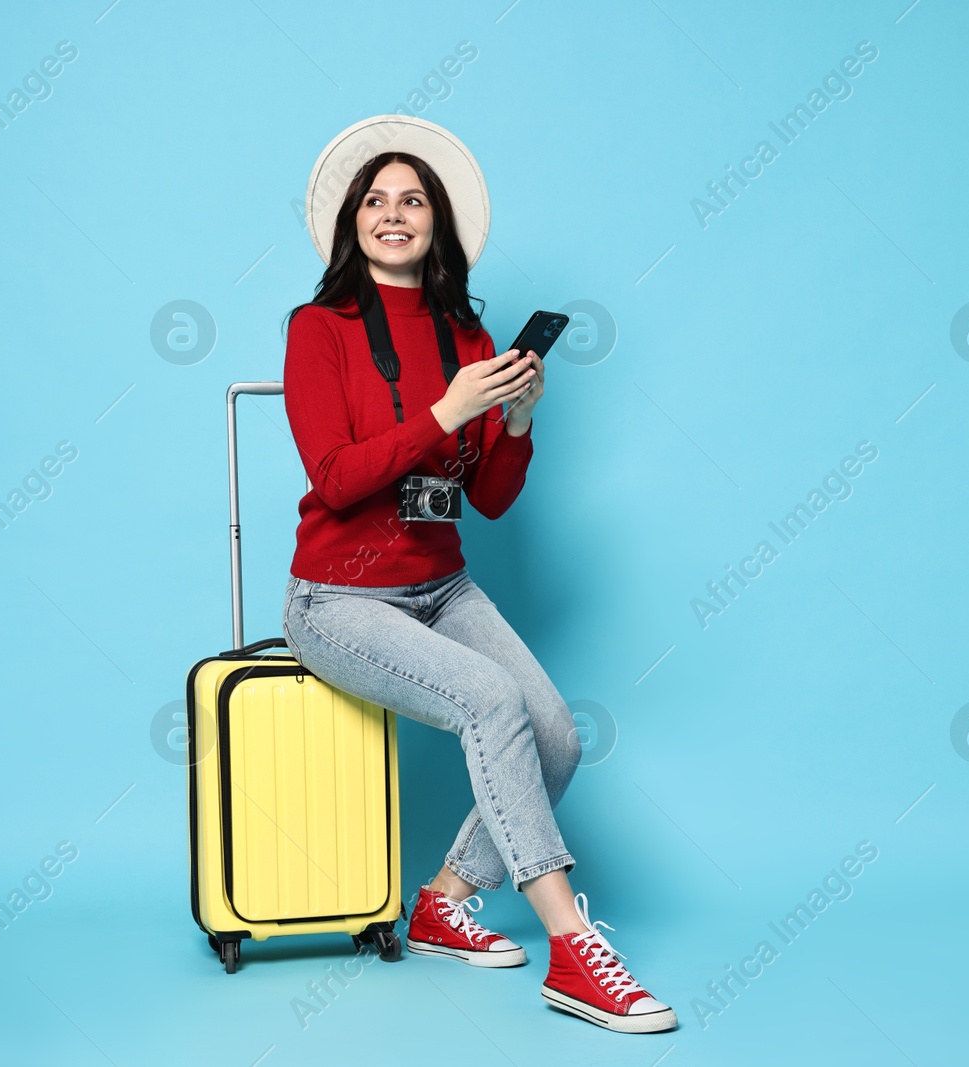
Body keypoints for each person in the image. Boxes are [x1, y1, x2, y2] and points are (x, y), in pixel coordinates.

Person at [278, 115, 676, 1035]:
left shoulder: (468, 332)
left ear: (438, 223)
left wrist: (518, 421)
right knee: (493, 705)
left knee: (558, 736)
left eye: (412, 199)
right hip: (338, 597)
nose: (392, 213)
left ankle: (444, 902)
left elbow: (489, 497)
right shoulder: (318, 328)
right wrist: (443, 410)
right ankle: (573, 950)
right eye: (374, 200)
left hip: (441, 586)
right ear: (351, 224)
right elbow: (334, 478)